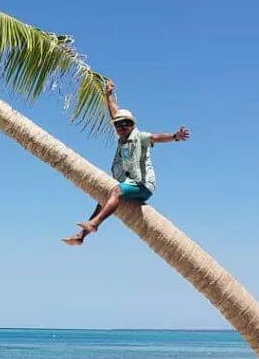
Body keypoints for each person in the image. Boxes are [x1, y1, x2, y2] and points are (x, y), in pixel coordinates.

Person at [62, 80, 190, 245]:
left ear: (132, 125)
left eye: (125, 124)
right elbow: (115, 113)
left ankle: (94, 224)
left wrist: (174, 137)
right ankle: (81, 236)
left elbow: (156, 137)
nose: (121, 127)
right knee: (103, 199)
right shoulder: (122, 138)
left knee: (115, 191)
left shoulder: (140, 137)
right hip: (129, 183)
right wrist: (108, 96)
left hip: (143, 185)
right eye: (118, 125)